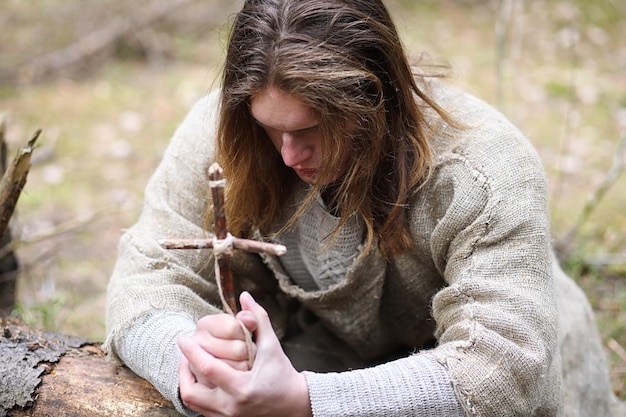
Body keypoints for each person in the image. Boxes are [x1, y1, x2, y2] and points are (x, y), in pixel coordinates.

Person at [104, 1, 625, 416]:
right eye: (271, 129)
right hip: (320, 357)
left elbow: (505, 366)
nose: (287, 154)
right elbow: (145, 277)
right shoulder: (225, 138)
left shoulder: (482, 168)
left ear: (375, 100)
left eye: (309, 130)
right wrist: (192, 359)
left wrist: (309, 403)